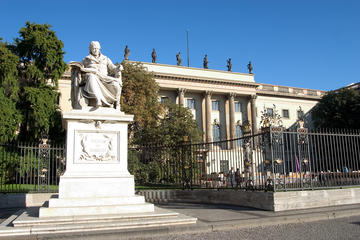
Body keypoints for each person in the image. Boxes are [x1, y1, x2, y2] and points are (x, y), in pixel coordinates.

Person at [71, 41, 122, 109]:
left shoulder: (105, 58)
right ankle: (98, 99)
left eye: (97, 48)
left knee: (115, 84)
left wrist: (118, 68)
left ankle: (115, 103)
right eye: (93, 48)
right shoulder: (86, 59)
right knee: (91, 77)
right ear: (90, 49)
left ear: (99, 49)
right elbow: (80, 69)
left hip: (104, 78)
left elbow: (113, 68)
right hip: (90, 77)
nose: (95, 50)